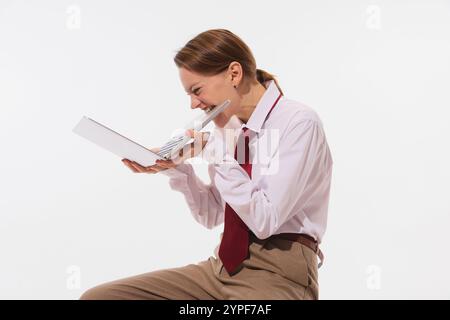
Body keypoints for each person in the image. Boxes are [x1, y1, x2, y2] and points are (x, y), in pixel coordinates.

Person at [80, 29, 333, 300]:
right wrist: (178, 169)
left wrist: (213, 152)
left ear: (234, 74)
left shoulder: (298, 122)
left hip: (278, 271)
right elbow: (212, 214)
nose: (193, 104)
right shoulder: (232, 129)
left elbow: (264, 220)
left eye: (196, 90)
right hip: (220, 270)